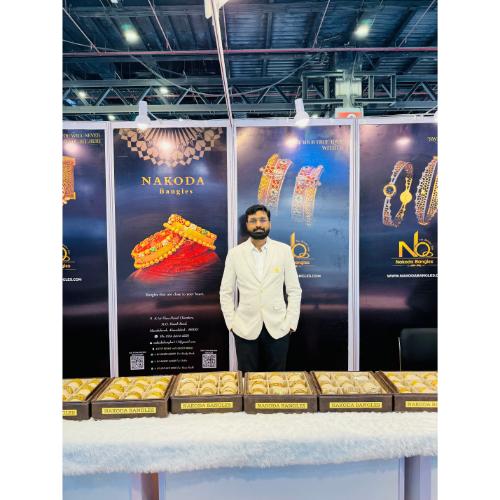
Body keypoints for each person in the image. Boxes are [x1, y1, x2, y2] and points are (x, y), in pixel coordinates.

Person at [219, 204, 302, 372]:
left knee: (277, 378)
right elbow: (225, 292)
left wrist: (291, 323)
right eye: (253, 221)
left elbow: (294, 290)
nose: (258, 224)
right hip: (244, 327)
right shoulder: (235, 254)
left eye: (262, 220)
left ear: (269, 223)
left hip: (279, 327)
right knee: (247, 378)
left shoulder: (284, 251)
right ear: (247, 225)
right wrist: (232, 323)